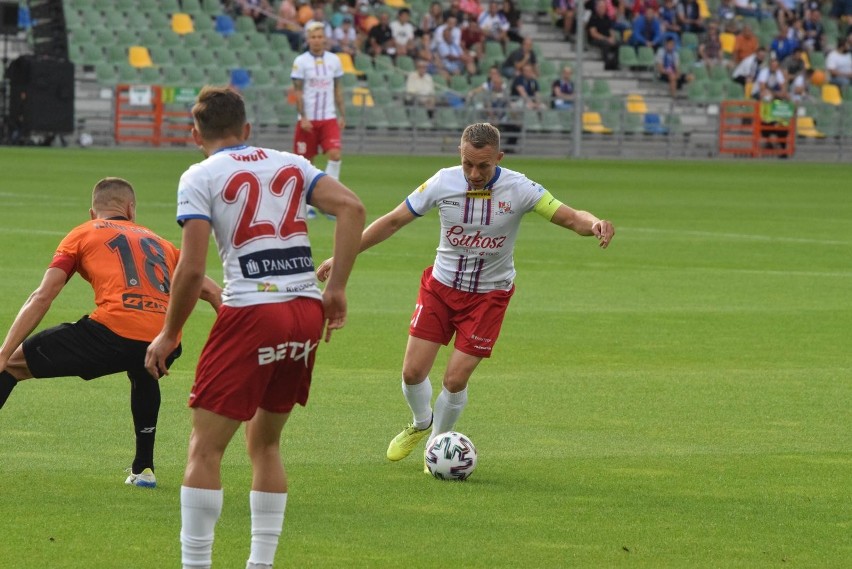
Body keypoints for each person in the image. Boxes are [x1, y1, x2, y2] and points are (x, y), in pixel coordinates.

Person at [144, 86, 365, 569]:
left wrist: (169, 333)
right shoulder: (291, 162)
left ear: (194, 133)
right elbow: (352, 207)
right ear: (246, 130)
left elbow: (191, 267)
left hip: (252, 309)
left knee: (205, 448)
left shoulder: (200, 175)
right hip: (305, 310)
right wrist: (338, 288)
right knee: (265, 442)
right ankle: (260, 564)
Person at [316, 123, 614, 472]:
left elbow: (570, 216)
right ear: (460, 154)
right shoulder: (443, 182)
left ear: (499, 158)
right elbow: (394, 220)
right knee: (412, 373)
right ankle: (422, 421)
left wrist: (594, 224)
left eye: (483, 166)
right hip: (441, 289)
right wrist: (344, 255)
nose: (473, 173)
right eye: (467, 163)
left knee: (455, 380)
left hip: (489, 297)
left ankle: (436, 446)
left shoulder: (520, 188)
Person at [0, 177, 222, 488]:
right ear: (132, 209)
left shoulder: (83, 232)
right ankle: (144, 469)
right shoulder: (161, 243)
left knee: (12, 365)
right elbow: (214, 293)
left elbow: (43, 295)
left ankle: (144, 468)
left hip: (111, 335)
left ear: (93, 213)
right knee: (145, 367)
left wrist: (4, 351)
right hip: (164, 341)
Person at [291, 22, 346, 219]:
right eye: (312, 37)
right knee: (305, 163)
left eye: (319, 36)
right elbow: (298, 92)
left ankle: (329, 202)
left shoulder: (334, 61)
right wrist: (303, 117)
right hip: (308, 120)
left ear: (324, 38)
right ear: (308, 39)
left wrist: (342, 114)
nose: (316, 40)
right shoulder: (301, 62)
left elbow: (337, 89)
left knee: (335, 154)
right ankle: (306, 206)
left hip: (329, 117)